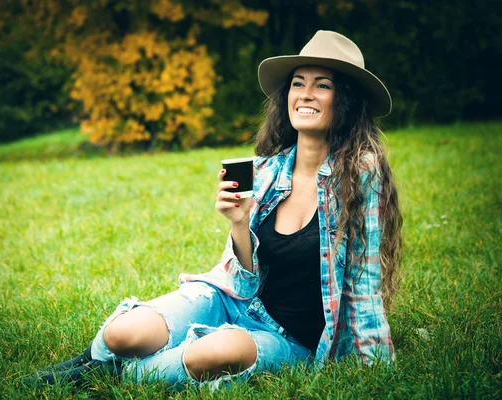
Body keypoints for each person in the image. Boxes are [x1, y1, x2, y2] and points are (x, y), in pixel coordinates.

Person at [23, 30, 403, 390]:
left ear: (346, 100)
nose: (305, 94)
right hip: (230, 300)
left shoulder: (360, 174)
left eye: (323, 84)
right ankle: (99, 355)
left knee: (218, 352)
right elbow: (242, 283)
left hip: (287, 337)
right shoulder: (267, 171)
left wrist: (375, 364)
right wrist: (239, 224)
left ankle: (117, 372)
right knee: (125, 332)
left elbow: (363, 281)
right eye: (298, 83)